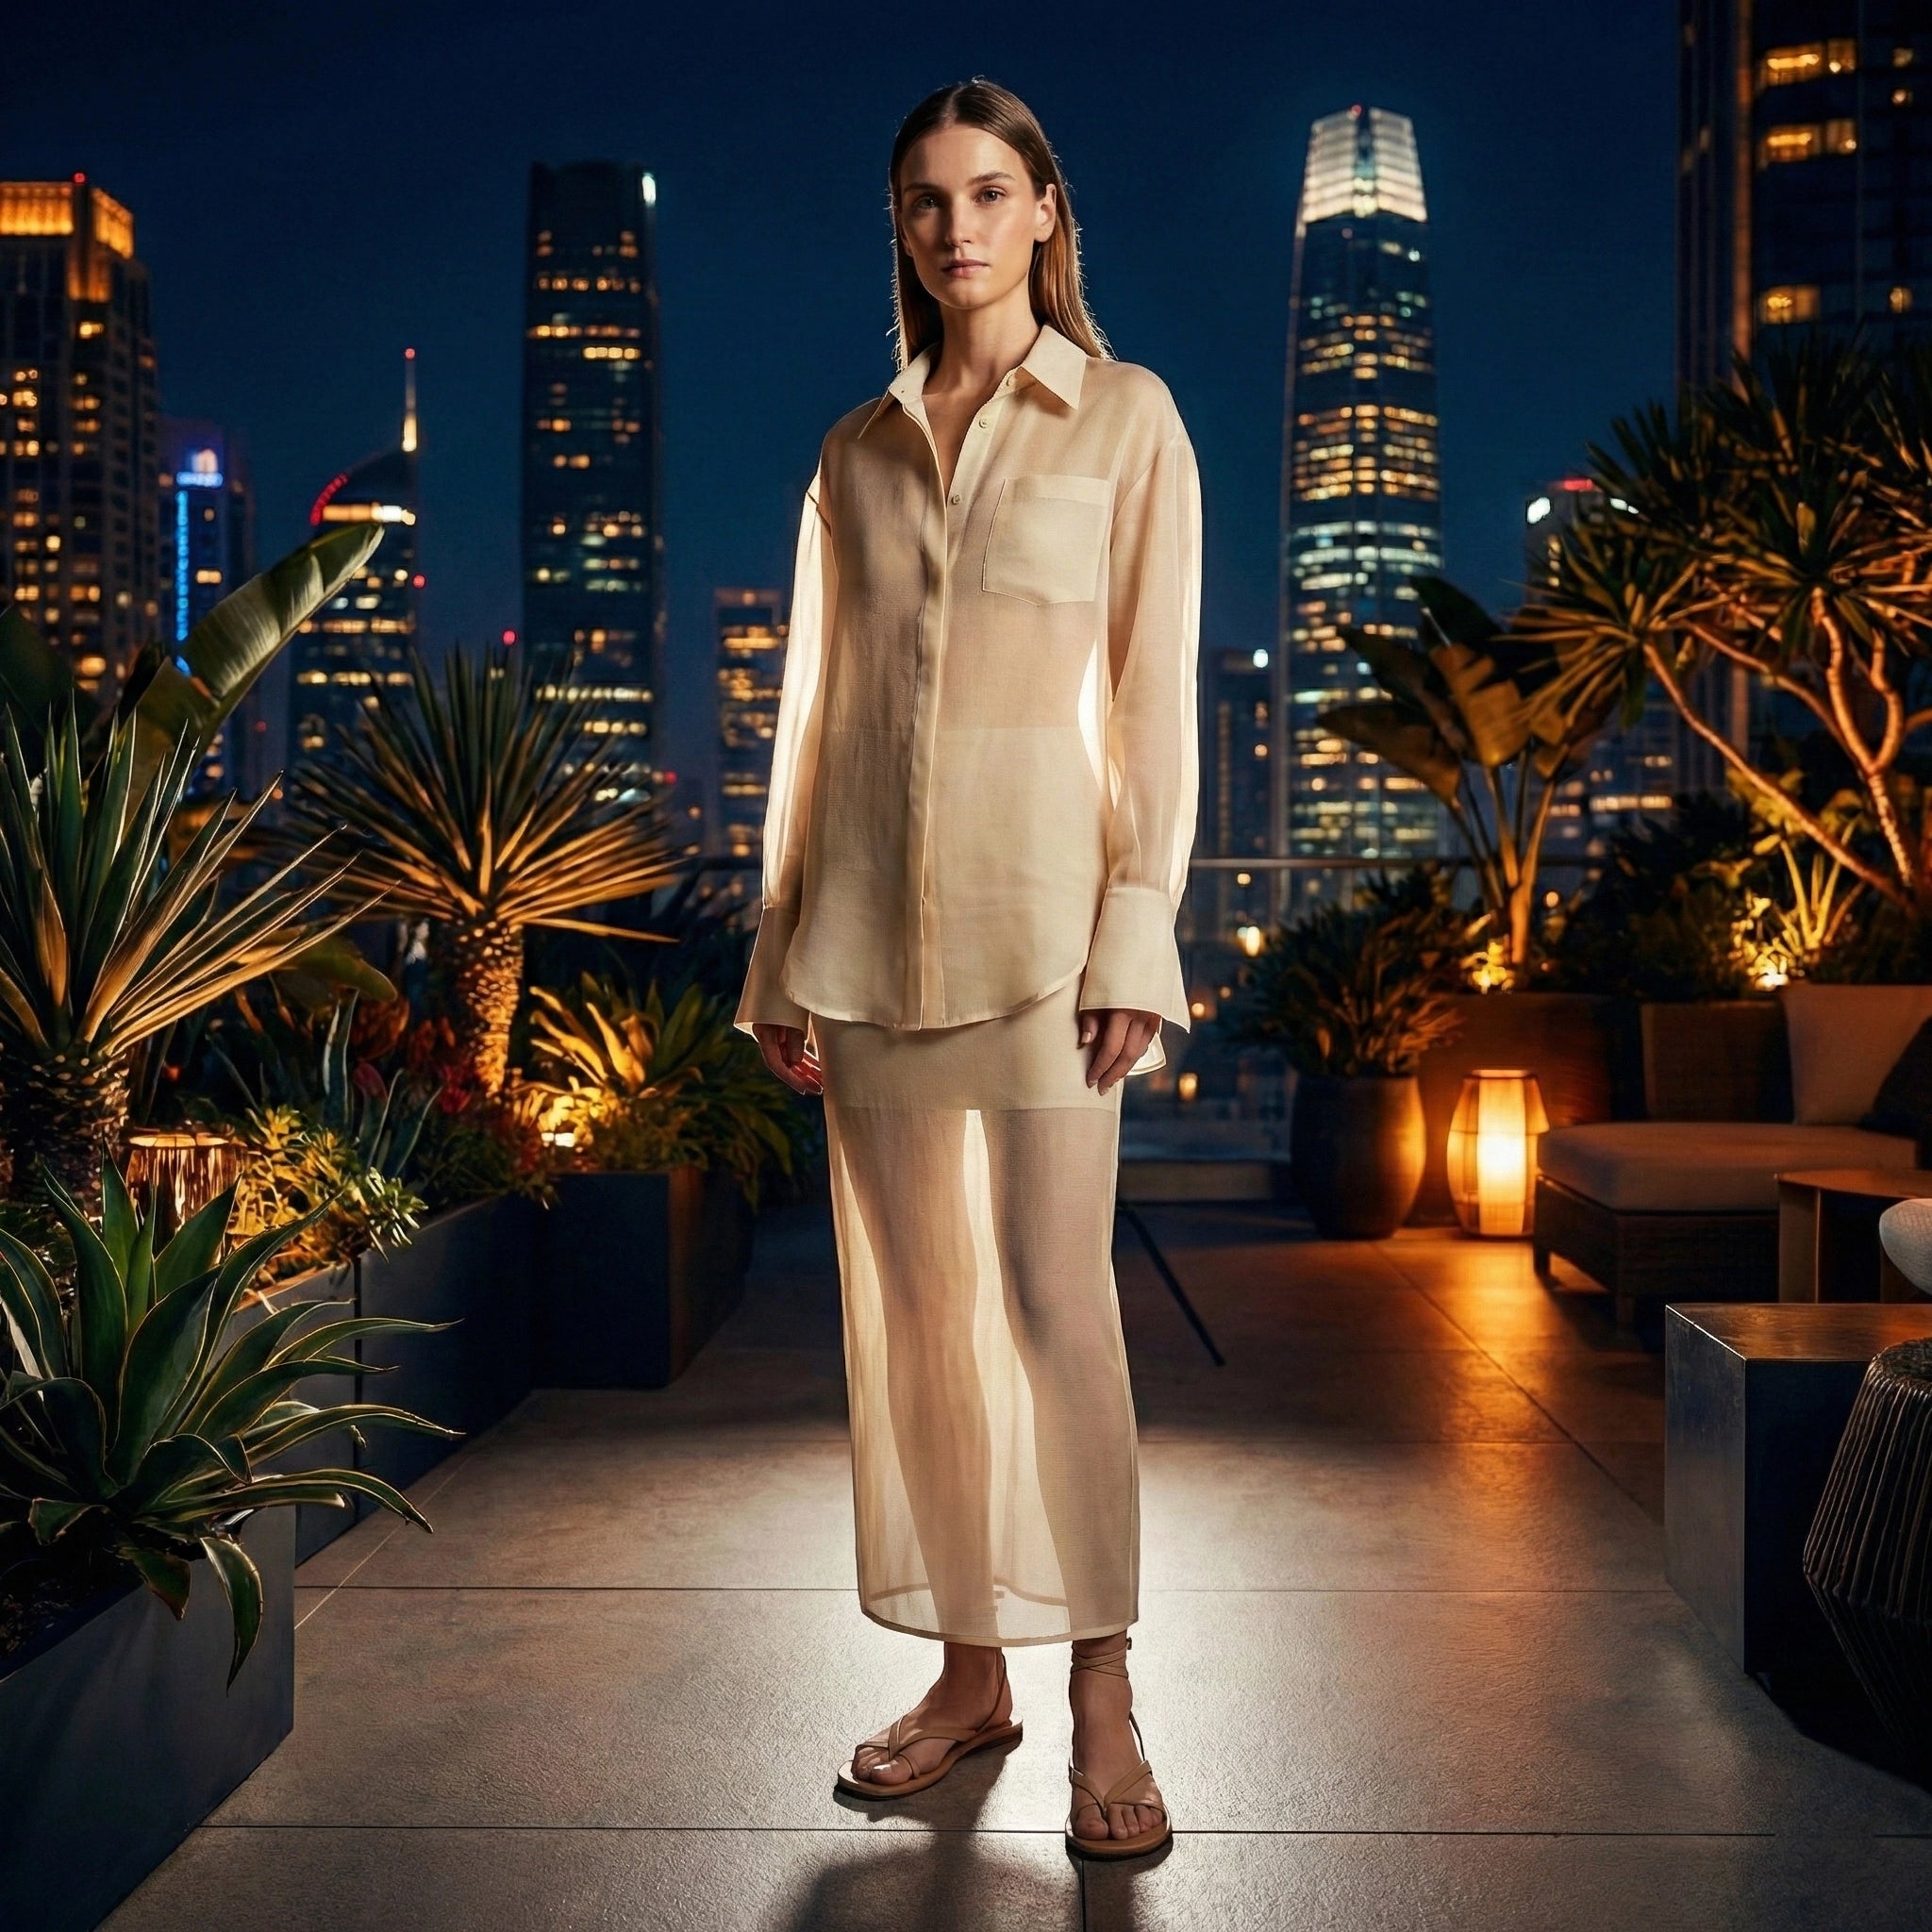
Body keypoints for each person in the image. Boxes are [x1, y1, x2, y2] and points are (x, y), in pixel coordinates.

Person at [737, 77, 1199, 1860]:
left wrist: (1136, 935)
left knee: (1055, 1301)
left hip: (1045, 931)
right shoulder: (855, 449)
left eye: (989, 193)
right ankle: (969, 1670)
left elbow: (1153, 701)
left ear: (1045, 212)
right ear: (903, 229)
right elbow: (815, 712)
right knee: (914, 1313)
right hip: (861, 933)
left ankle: (1101, 1685)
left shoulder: (1127, 420)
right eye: (926, 200)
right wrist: (785, 947)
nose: (957, 228)